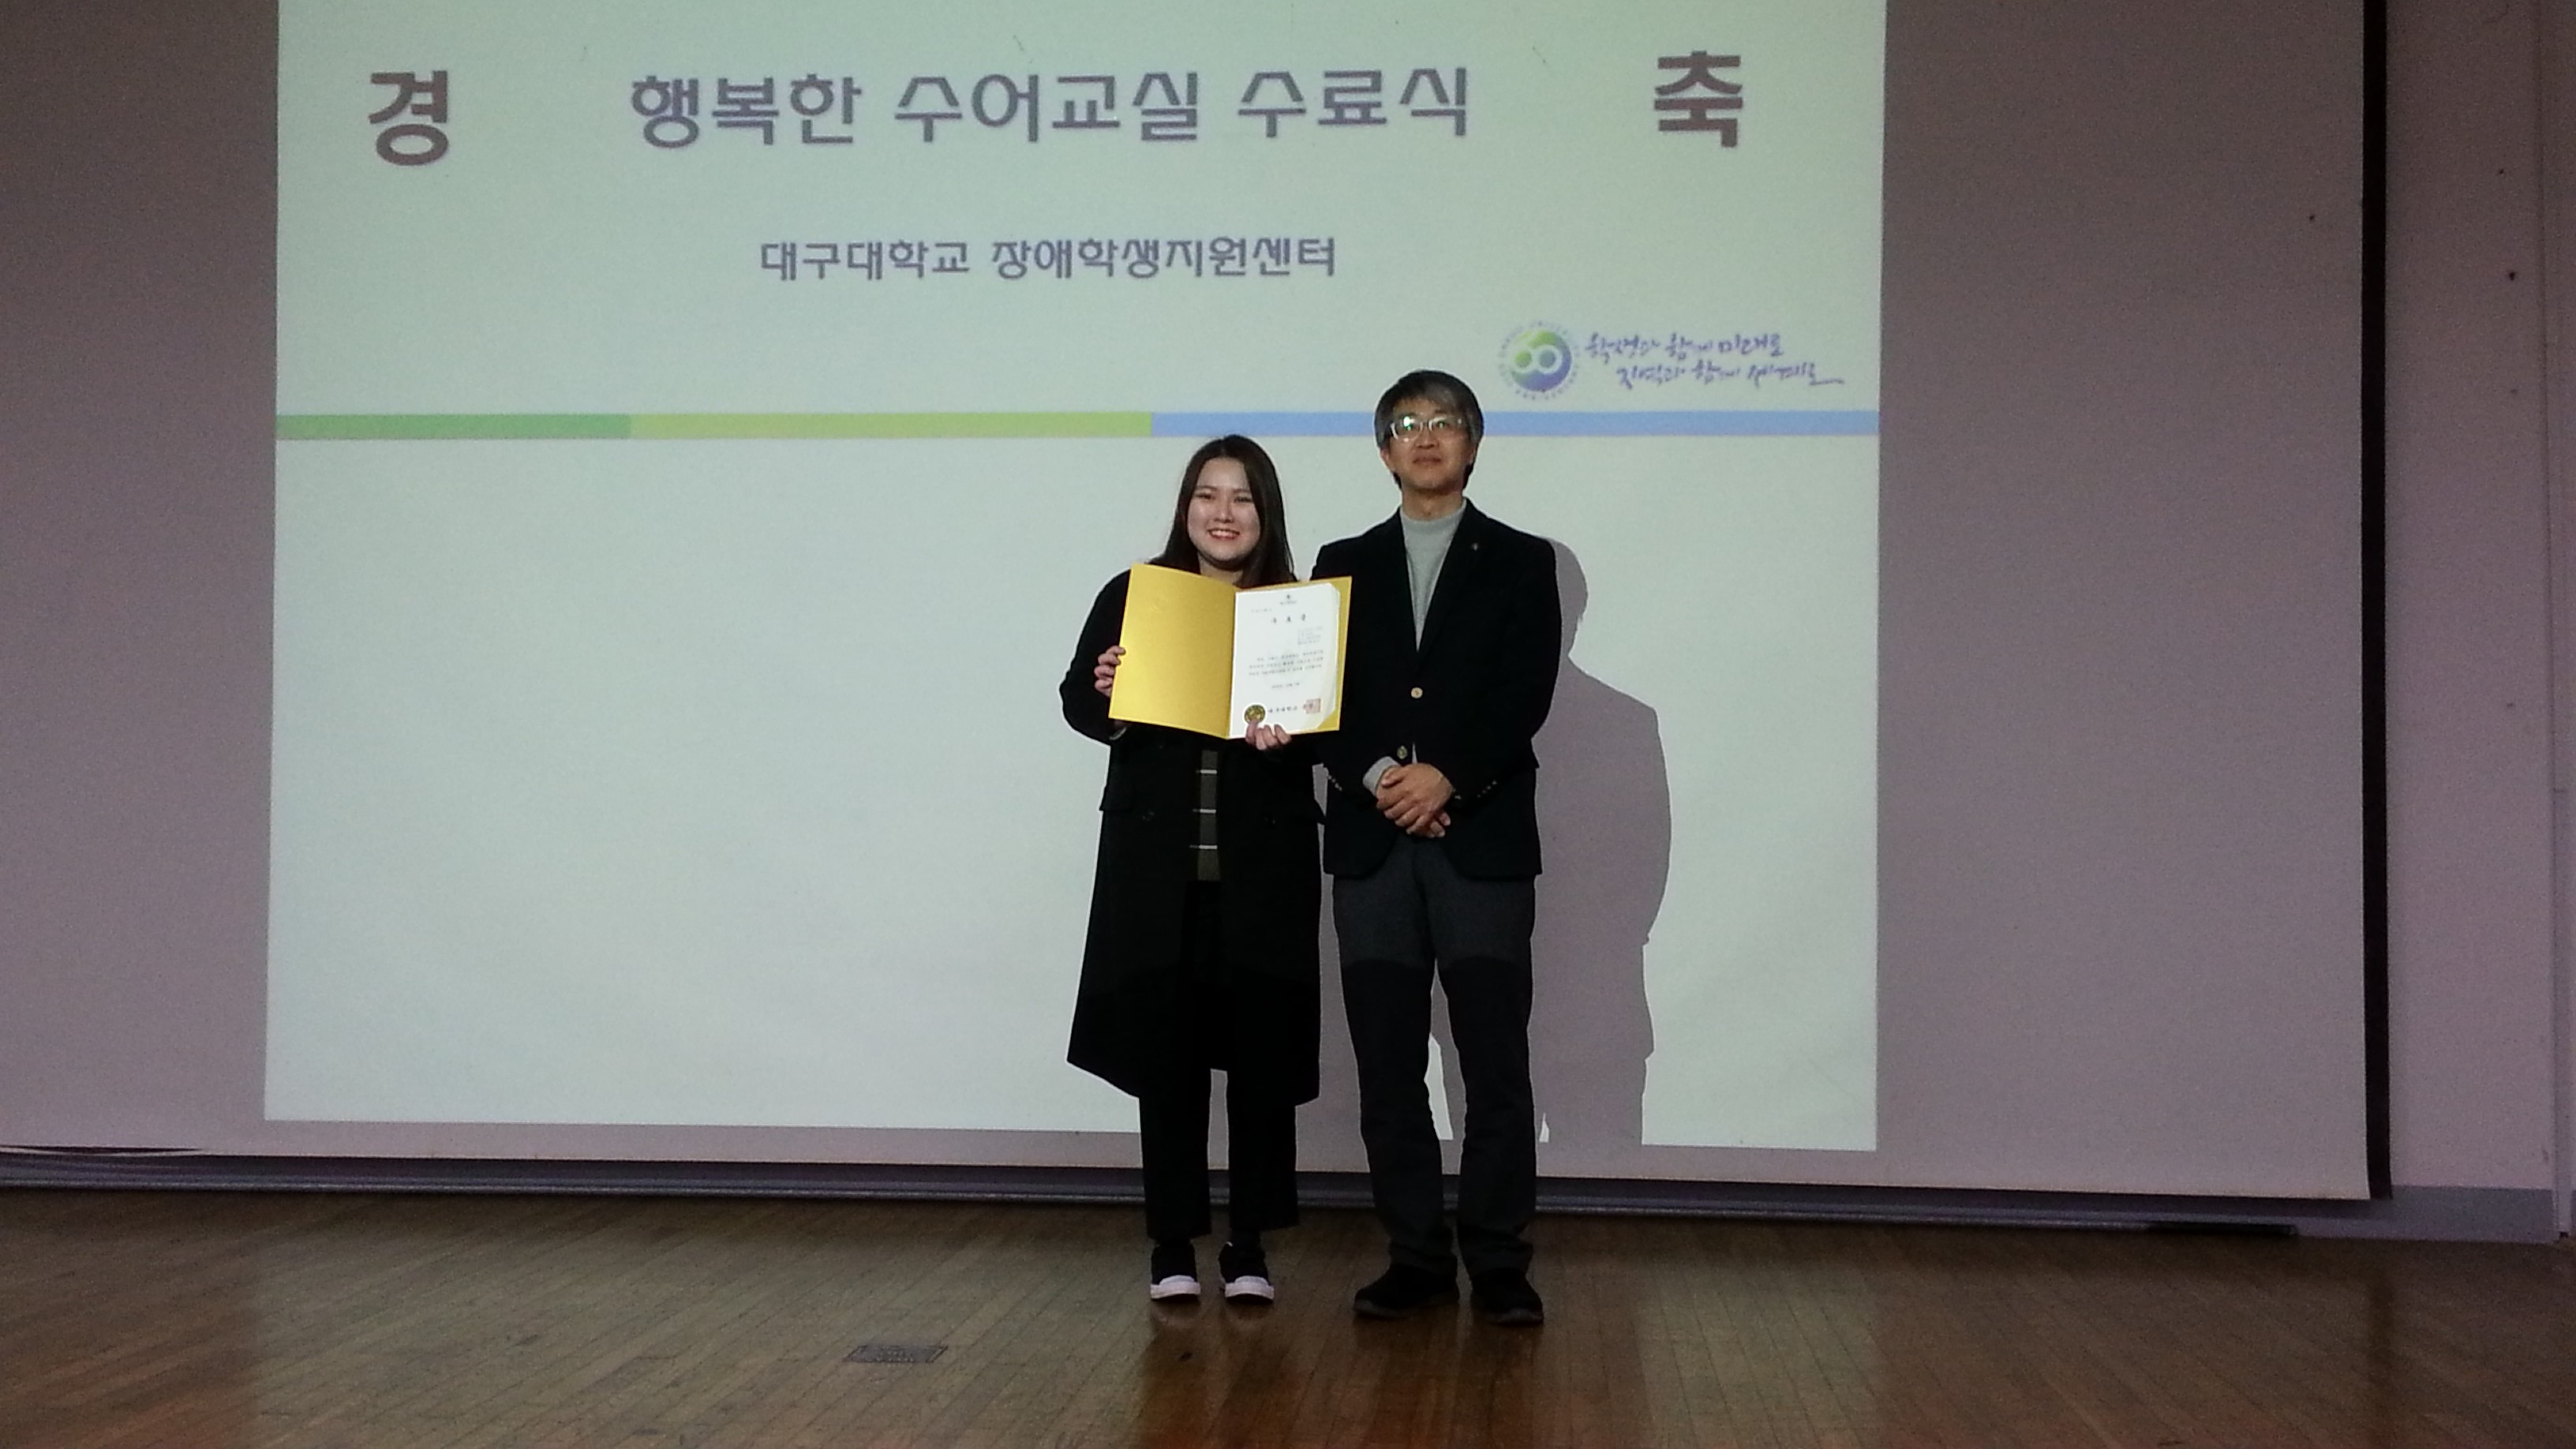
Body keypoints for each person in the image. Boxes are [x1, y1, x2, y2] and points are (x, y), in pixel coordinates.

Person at [1311, 370, 1561, 1327]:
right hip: (1372, 848)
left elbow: (1523, 693)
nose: (1425, 436)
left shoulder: (1521, 560)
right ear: (1384, 450)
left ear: (1473, 441)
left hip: (1479, 846)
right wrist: (1384, 776)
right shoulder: (1340, 563)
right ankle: (1414, 1256)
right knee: (1387, 1065)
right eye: (1406, 424)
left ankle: (1498, 1260)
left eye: (1444, 421)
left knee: (1493, 1063)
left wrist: (1447, 777)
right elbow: (1319, 699)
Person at [1058, 435, 1322, 1305]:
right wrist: (1109, 691)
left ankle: (1250, 1246)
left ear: (1265, 513)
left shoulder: (1295, 608)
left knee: (1260, 1063)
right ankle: (1171, 1242)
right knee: (1165, 1061)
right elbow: (1079, 700)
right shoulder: (1138, 595)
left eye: (1241, 498)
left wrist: (1294, 736)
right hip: (1157, 873)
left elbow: (1331, 722)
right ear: (1185, 508)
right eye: (1207, 495)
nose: (1222, 513)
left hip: (1262, 873)